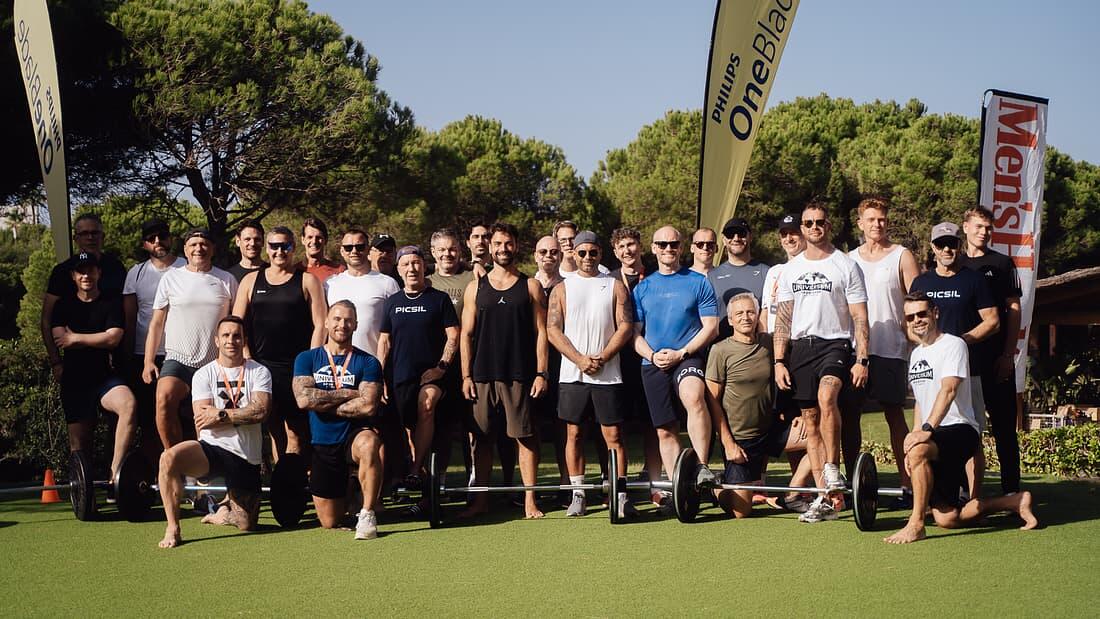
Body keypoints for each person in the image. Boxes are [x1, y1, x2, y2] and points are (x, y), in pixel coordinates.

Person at [883, 292, 1037, 544]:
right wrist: (914, 436)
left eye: (922, 314)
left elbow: (949, 389)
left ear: (935, 313)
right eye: (910, 317)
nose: (916, 320)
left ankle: (916, 524)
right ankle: (1014, 501)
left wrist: (926, 430)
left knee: (920, 451)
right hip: (934, 435)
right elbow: (921, 402)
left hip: (960, 430)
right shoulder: (916, 354)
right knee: (948, 518)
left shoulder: (954, 345)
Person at [772, 203, 869, 523]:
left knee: (828, 397)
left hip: (835, 344)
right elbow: (783, 319)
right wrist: (779, 361)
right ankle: (823, 496)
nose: (814, 227)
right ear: (802, 228)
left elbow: (860, 316)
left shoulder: (846, 265)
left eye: (820, 222)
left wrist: (862, 358)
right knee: (810, 421)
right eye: (809, 223)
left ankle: (831, 468)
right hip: (801, 349)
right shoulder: (791, 269)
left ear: (829, 225)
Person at [459, 222, 550, 519]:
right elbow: (466, 335)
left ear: (516, 246)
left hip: (519, 375)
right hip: (482, 376)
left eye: (508, 243)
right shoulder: (476, 287)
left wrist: (541, 373)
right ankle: (480, 501)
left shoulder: (530, 286)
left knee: (524, 438)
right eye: (498, 244)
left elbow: (541, 332)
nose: (503, 249)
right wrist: (466, 376)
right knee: (482, 440)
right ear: (490, 246)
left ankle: (530, 501)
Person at [156, 316, 271, 548]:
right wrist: (241, 413)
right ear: (217, 341)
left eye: (237, 336)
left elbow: (260, 412)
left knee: (246, 524)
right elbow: (202, 419)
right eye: (226, 335)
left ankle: (222, 513)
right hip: (211, 450)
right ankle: (173, 528)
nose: (231, 340)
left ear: (244, 340)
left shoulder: (259, 372)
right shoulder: (203, 374)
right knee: (168, 458)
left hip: (246, 457)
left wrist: (220, 414)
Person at [546, 231, 636, 518]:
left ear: (600, 254)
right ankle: (578, 494)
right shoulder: (562, 288)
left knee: (614, 435)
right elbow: (552, 329)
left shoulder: (614, 285)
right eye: (582, 252)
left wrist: (603, 357)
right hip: (573, 375)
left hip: (608, 375)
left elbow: (625, 326)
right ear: (573, 253)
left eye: (592, 252)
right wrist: (580, 360)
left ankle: (620, 495)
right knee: (573, 434)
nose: (587, 257)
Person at [911, 222, 999, 498]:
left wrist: (958, 342)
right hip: (931, 371)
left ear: (959, 246)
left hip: (967, 369)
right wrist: (930, 348)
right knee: (932, 430)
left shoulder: (974, 279)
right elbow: (911, 322)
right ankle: (942, 493)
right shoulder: (922, 282)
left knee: (971, 437)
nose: (947, 249)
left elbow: (992, 320)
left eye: (952, 243)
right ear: (933, 248)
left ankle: (974, 498)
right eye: (941, 244)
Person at [706, 293, 811, 518]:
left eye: (750, 312)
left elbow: (792, 376)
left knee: (818, 436)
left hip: (769, 430)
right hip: (740, 440)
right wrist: (728, 444)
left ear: (757, 316)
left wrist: (798, 413)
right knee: (741, 512)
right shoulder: (720, 351)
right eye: (739, 314)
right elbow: (712, 401)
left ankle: (793, 493)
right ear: (730, 320)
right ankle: (715, 488)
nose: (745, 317)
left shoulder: (769, 343)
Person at [632, 226, 719, 491]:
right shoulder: (642, 288)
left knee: (694, 397)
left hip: (687, 357)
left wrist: (682, 353)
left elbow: (711, 327)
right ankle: (676, 488)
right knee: (665, 430)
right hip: (653, 363)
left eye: (673, 244)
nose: (668, 248)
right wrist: (652, 355)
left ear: (681, 248)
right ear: (654, 248)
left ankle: (702, 467)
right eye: (663, 244)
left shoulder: (698, 282)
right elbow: (634, 334)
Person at [846, 198, 920, 500]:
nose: (877, 224)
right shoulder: (848, 259)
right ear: (860, 223)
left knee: (894, 415)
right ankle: (852, 484)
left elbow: (917, 302)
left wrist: (916, 341)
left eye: (881, 219)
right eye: (871, 219)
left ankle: (908, 484)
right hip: (856, 352)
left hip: (892, 349)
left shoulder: (902, 256)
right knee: (850, 416)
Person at [233, 226, 327, 461]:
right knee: (274, 430)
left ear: (293, 247)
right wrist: (247, 356)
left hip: (296, 367)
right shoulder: (250, 281)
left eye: (285, 245)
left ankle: (297, 477)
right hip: (261, 367)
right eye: (274, 246)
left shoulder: (307, 280)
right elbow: (236, 323)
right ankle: (281, 478)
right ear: (267, 248)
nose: (279, 251)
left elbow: (321, 324)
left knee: (296, 430)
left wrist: (311, 362)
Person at [293, 301, 385, 539]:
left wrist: (323, 403)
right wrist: (350, 393)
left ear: (356, 325)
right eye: (336, 319)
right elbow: (303, 400)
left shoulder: (368, 362)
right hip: (322, 441)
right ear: (326, 322)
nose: (342, 325)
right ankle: (351, 487)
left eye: (348, 320)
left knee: (370, 443)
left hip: (353, 436)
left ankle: (367, 514)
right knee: (329, 521)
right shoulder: (306, 358)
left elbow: (368, 406)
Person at [144, 229, 237, 448]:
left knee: (205, 418)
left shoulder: (226, 279)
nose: (199, 248)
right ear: (185, 249)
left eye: (204, 244)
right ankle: (174, 456)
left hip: (213, 361)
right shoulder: (171, 278)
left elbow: (237, 322)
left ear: (212, 249)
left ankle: (205, 462)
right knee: (164, 398)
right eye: (193, 244)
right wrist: (148, 361)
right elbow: (157, 323)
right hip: (178, 358)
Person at [376, 246, 459, 487]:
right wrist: (379, 376)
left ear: (424, 267)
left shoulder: (439, 299)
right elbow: (384, 341)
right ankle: (410, 471)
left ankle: (415, 468)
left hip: (432, 375)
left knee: (427, 403)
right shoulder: (392, 302)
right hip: (400, 376)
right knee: (402, 425)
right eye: (406, 264)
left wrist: (441, 368)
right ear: (399, 269)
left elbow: (454, 335)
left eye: (416, 263)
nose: (412, 268)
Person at [51, 251, 137, 482]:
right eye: (81, 272)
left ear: (98, 273)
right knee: (80, 446)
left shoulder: (111, 303)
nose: (86, 276)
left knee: (128, 404)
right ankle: (84, 495)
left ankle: (115, 475)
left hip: (104, 378)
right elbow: (60, 338)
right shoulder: (63, 305)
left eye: (90, 270)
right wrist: (97, 338)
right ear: (73, 276)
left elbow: (113, 338)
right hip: (75, 380)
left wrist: (76, 338)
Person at [959, 206, 1023, 496]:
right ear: (966, 227)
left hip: (997, 359)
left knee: (1004, 428)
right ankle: (963, 492)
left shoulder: (1001, 263)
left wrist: (1008, 355)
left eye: (988, 227)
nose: (984, 232)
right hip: (964, 361)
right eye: (978, 226)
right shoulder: (955, 264)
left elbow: (1013, 309)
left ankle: (1011, 492)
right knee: (963, 428)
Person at [122, 219, 185, 463]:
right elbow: (130, 318)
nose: (158, 241)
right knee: (149, 421)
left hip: (180, 354)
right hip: (145, 355)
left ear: (171, 238)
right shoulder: (136, 273)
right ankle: (154, 473)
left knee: (183, 417)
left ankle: (185, 468)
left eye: (162, 236)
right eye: (151, 238)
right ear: (144, 244)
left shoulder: (186, 267)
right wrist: (128, 357)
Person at [610, 227, 664, 504]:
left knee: (652, 424)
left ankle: (655, 483)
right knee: (614, 426)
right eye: (621, 246)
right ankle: (617, 485)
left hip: (649, 358)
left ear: (640, 246)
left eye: (631, 244)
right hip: (617, 362)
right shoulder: (607, 280)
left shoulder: (656, 277)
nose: (627, 250)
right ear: (615, 252)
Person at [41, 213, 127, 382]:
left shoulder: (116, 267)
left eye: (95, 233)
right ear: (76, 238)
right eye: (84, 233)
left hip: (114, 359)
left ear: (102, 236)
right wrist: (56, 362)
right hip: (75, 363)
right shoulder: (62, 271)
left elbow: (127, 311)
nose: (90, 237)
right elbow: (46, 319)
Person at [324, 228, 400, 357]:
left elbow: (397, 328)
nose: (354, 251)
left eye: (359, 247)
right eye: (348, 248)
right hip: (336, 363)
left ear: (368, 249)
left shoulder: (388, 283)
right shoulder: (329, 284)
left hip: (374, 362)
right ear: (342, 251)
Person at [708, 217, 769, 339]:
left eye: (741, 233)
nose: (736, 238)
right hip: (722, 345)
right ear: (724, 240)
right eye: (730, 234)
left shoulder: (767, 272)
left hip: (757, 345)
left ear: (750, 237)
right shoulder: (712, 276)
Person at [760, 214, 805, 333]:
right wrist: (763, 338)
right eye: (784, 234)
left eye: (793, 233)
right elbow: (765, 311)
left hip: (799, 337)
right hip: (773, 337)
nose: (788, 239)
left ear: (804, 234)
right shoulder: (774, 271)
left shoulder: (813, 269)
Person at [298, 216, 345, 283]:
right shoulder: (293, 272)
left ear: (326, 240)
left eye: (318, 237)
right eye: (310, 237)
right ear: (303, 240)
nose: (314, 241)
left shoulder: (339, 271)